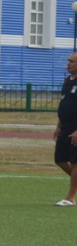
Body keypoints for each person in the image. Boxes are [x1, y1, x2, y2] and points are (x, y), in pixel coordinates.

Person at [52, 52, 77, 206]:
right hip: (65, 126)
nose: (68, 63)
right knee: (60, 159)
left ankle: (70, 198)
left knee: (75, 162)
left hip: (76, 128)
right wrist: (58, 126)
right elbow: (65, 104)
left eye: (72, 61)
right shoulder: (67, 81)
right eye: (68, 60)